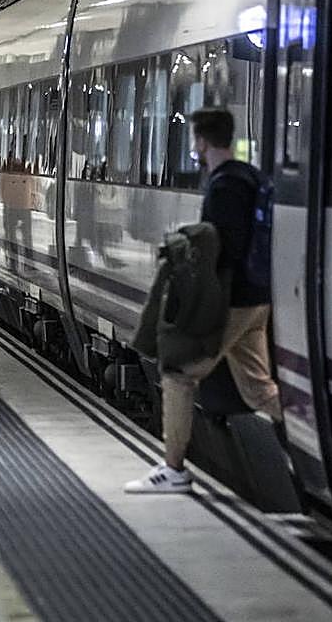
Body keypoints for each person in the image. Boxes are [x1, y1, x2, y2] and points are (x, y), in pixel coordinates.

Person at [125, 107, 282, 494]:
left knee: (178, 374)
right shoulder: (251, 176)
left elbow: (222, 251)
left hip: (235, 300)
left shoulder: (224, 185)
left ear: (201, 141)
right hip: (259, 300)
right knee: (258, 389)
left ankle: (173, 470)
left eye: (195, 141)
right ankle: (314, 441)